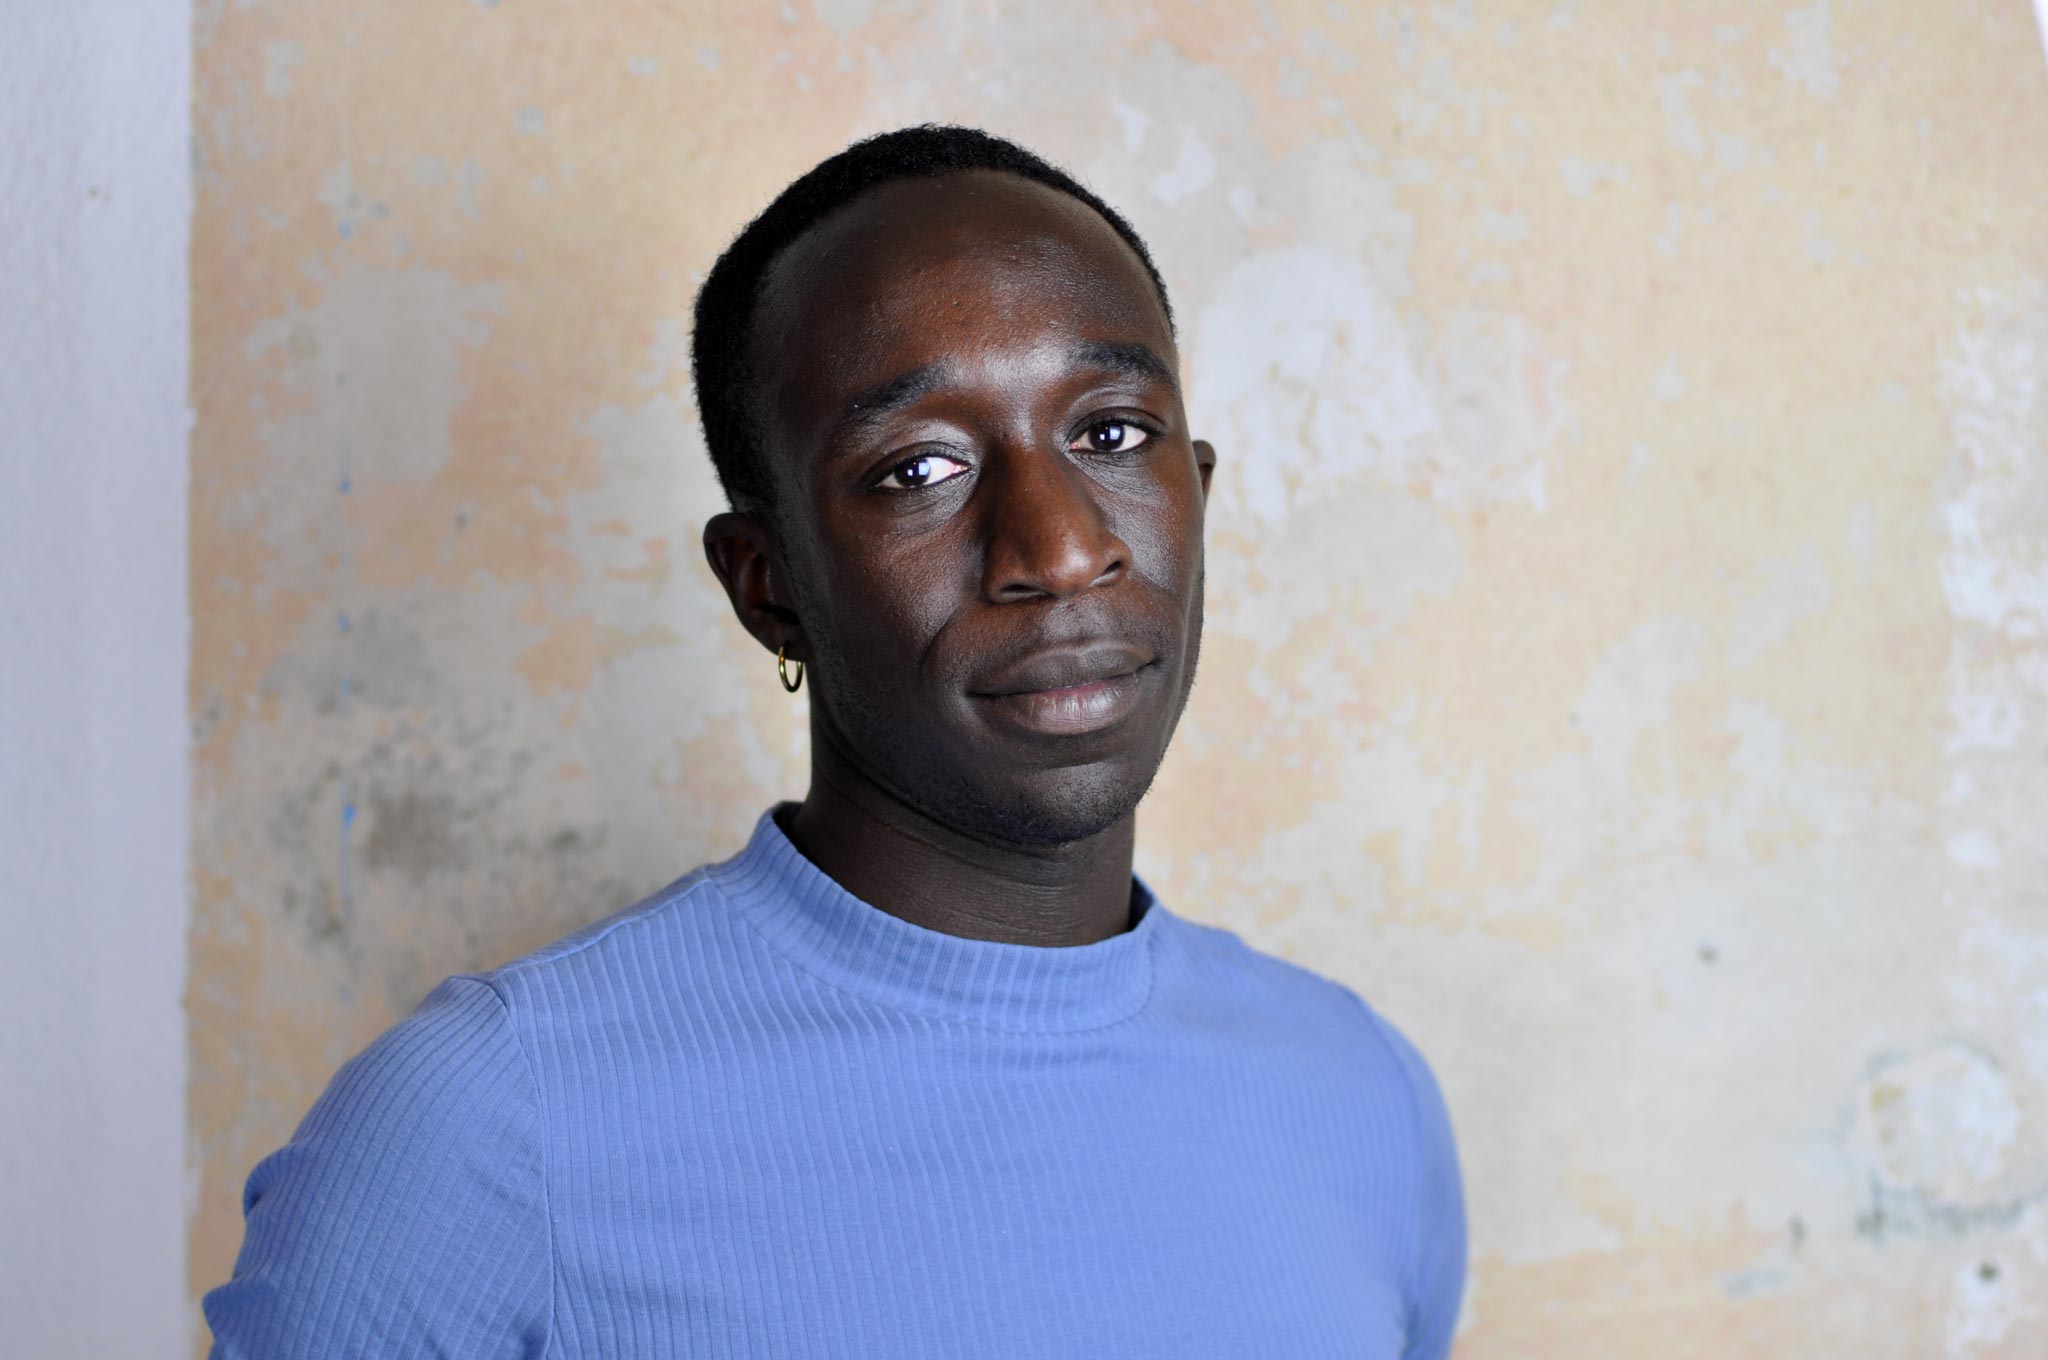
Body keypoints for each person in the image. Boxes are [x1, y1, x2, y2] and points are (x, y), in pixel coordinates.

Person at [204, 123, 1467, 1358]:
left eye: (1111, 433)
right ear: (767, 586)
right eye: (917, 468)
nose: (1060, 547)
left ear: (1198, 491)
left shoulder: (1359, 1096)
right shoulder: (483, 1130)